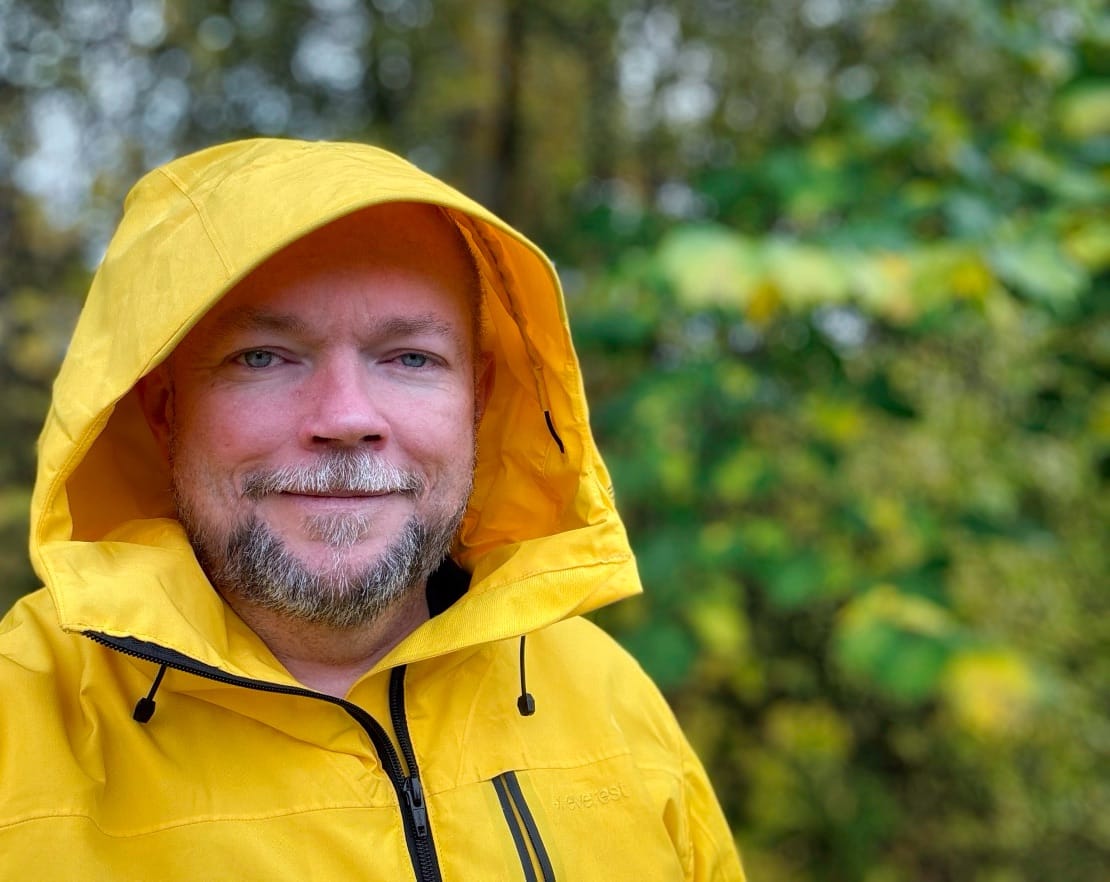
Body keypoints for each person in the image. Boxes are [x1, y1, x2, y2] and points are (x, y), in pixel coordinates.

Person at [0, 138, 745, 881]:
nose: (348, 416)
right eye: (263, 355)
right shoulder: (21, 721)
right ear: (165, 409)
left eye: (410, 358)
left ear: (477, 402)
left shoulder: (610, 700)